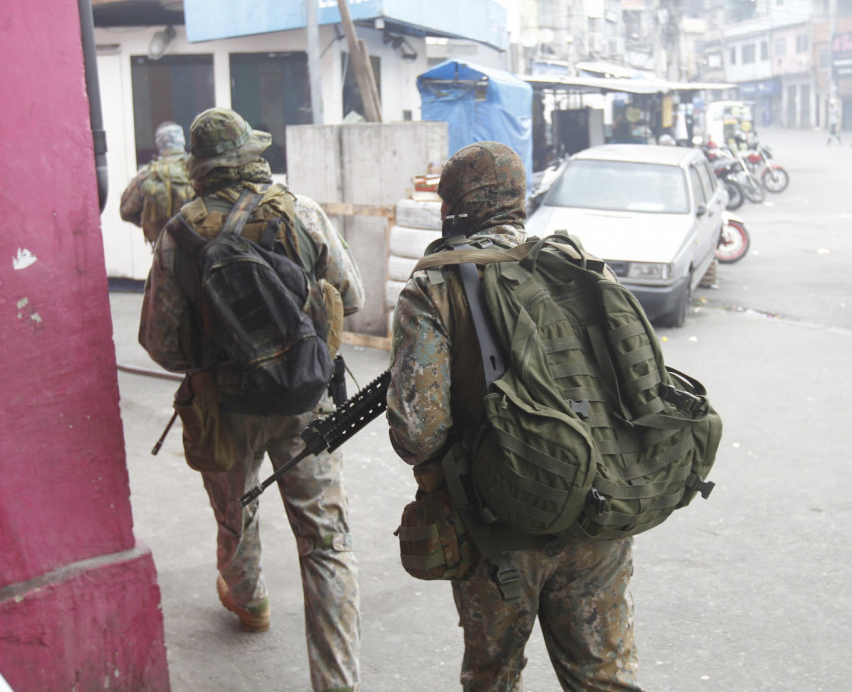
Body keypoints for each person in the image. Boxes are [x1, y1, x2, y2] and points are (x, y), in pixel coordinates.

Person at [386, 141, 643, 692]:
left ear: (452, 207)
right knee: (603, 676)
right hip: (601, 514)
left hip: (498, 525)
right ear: (517, 197)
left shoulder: (435, 284)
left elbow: (418, 429)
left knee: (494, 677)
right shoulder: (578, 264)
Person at [139, 108, 364, 692]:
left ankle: (249, 599)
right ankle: (337, 683)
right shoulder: (299, 210)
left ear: (199, 166)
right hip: (306, 401)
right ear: (251, 155)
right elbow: (353, 295)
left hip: (224, 410)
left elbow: (160, 345)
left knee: (235, 511)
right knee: (325, 544)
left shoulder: (180, 233)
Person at [119, 121, 193, 244]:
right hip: (196, 246)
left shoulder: (147, 174)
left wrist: (148, 220)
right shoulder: (196, 169)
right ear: (182, 140)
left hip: (163, 247)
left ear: (159, 143)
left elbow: (126, 211)